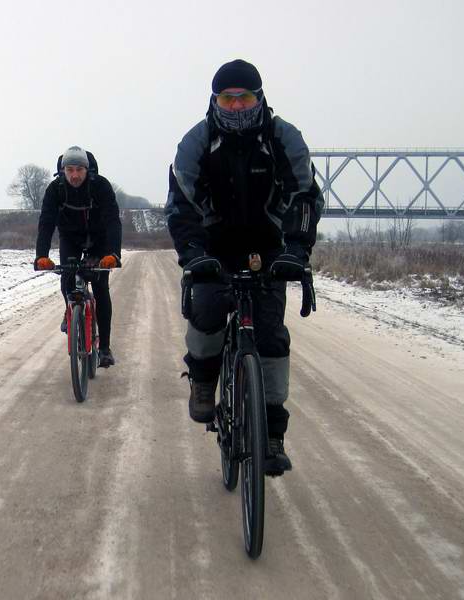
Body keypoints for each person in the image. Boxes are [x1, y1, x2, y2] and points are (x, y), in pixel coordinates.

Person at [166, 59, 324, 469]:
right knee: (206, 313)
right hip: (214, 247)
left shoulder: (282, 138)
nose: (236, 106)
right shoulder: (196, 143)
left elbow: (305, 197)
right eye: (227, 98)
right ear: (215, 100)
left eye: (245, 97)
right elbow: (181, 206)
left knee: (271, 335)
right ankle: (203, 382)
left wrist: (296, 249)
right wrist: (194, 254)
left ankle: (271, 433)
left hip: (269, 247)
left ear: (259, 97)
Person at [35, 146, 122, 367]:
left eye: (79, 170)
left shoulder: (100, 186)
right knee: (67, 279)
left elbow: (113, 220)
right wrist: (41, 256)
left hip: (99, 239)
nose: (75, 175)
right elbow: (46, 223)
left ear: (87, 170)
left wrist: (113, 253)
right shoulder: (55, 190)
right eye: (70, 170)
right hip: (70, 239)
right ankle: (70, 311)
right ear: (63, 170)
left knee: (101, 288)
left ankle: (104, 349)